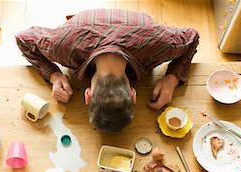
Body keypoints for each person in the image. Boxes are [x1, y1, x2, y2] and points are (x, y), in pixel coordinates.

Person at [16, 9, 199, 133]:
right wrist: (53, 75)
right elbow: (23, 39)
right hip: (81, 28)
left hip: (141, 29)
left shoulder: (158, 44)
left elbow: (192, 36)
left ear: (88, 95)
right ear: (133, 95)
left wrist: (172, 78)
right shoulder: (63, 46)